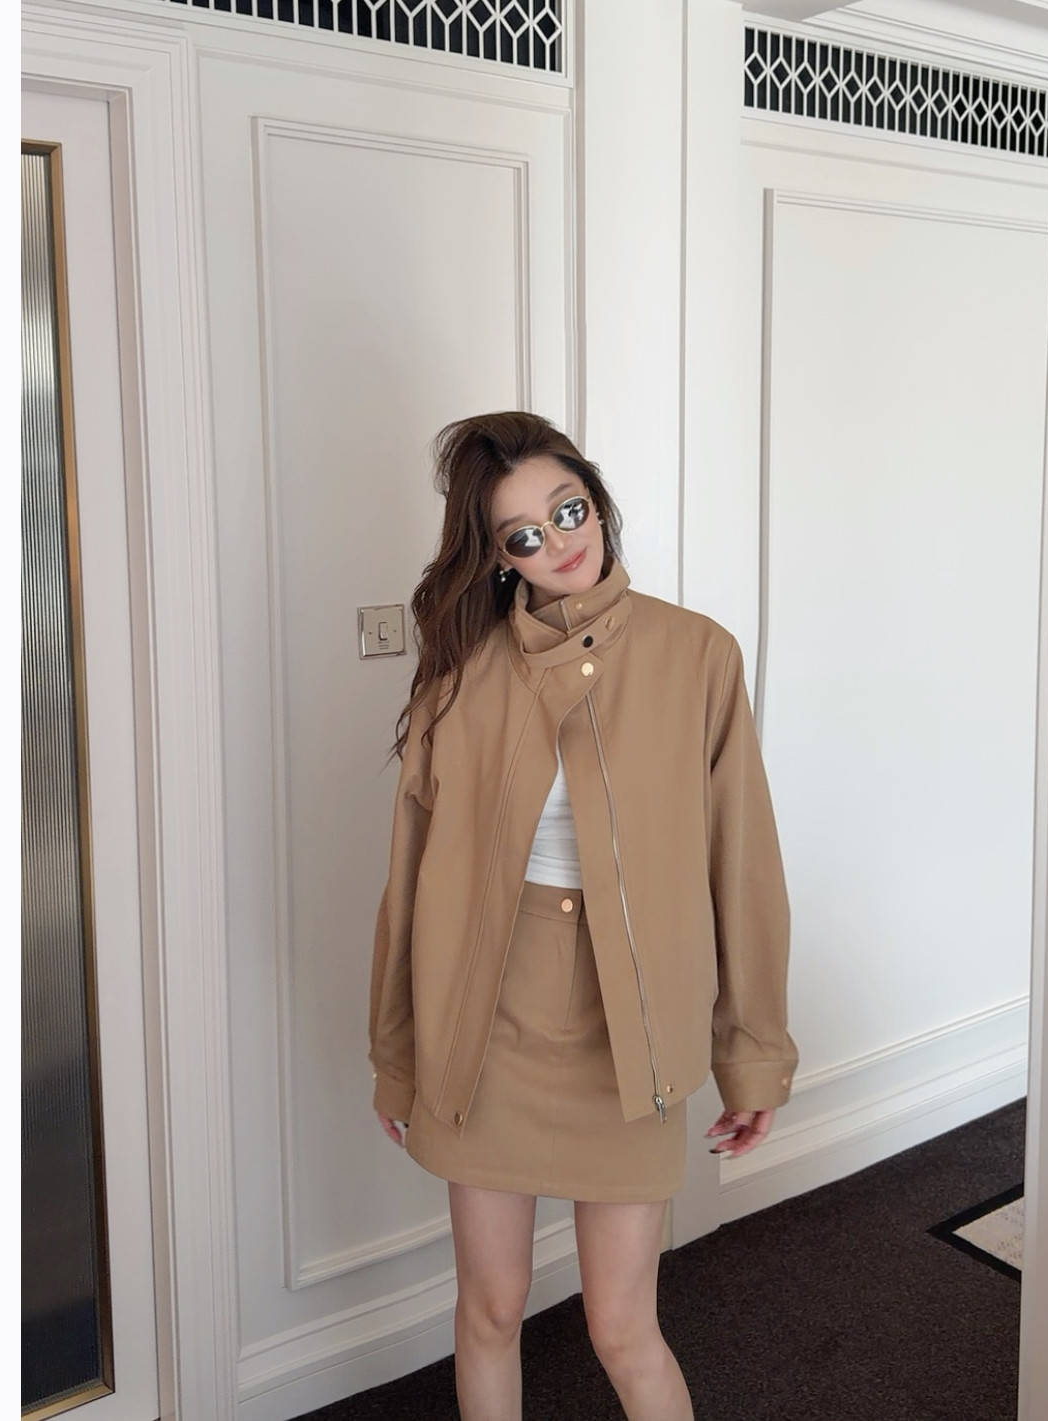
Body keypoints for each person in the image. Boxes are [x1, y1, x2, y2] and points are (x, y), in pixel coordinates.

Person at [369, 411, 797, 1421]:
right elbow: (410, 880)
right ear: (497, 558)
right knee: (489, 1309)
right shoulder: (460, 672)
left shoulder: (696, 654)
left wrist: (751, 1053)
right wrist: (395, 1051)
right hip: (485, 1027)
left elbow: (741, 865)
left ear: (596, 500)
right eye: (523, 534)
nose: (559, 542)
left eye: (568, 510)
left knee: (620, 1327)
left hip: (627, 1032)